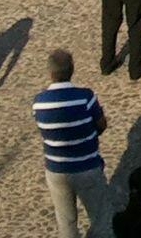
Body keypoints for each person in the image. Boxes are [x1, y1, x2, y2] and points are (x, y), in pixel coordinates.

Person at [36, 48, 111, 238]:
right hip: (87, 166)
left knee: (66, 221)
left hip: (56, 169)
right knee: (100, 218)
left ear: (50, 73)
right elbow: (101, 124)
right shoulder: (85, 97)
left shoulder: (39, 102)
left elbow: (43, 130)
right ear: (72, 70)